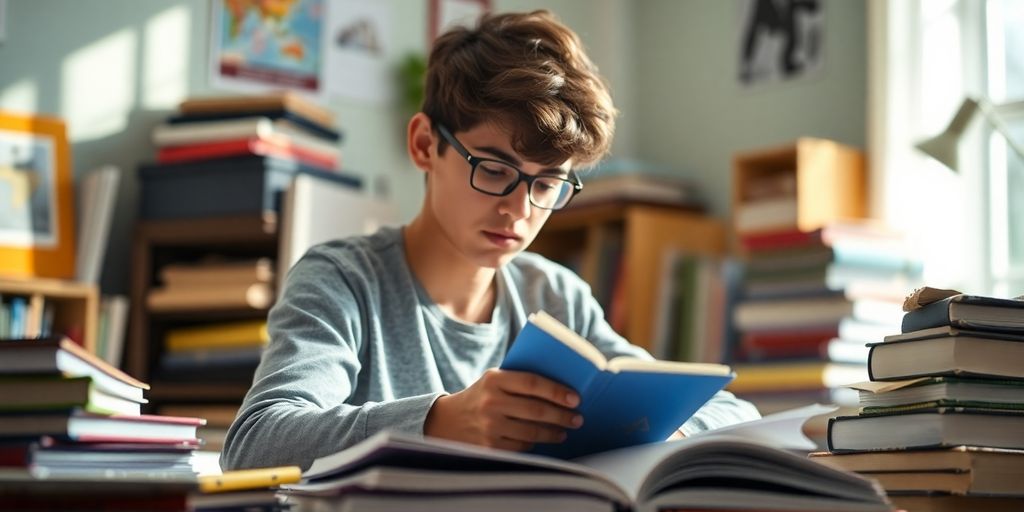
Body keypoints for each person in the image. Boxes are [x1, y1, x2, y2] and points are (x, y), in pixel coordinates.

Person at [221, 9, 759, 471]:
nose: (519, 210)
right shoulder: (343, 281)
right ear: (425, 144)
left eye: (548, 182)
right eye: (496, 169)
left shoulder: (556, 296)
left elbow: (730, 411)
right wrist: (439, 422)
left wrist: (665, 433)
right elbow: (255, 442)